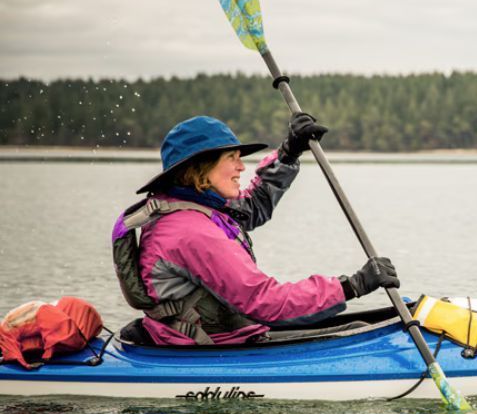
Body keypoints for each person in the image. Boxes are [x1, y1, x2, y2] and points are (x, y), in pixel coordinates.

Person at [111, 113, 399, 346]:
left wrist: (288, 154)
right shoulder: (190, 232)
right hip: (207, 345)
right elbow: (263, 301)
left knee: (364, 323)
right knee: (358, 331)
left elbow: (253, 207)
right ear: (200, 168)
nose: (241, 167)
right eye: (231, 159)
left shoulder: (189, 206)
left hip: (220, 332)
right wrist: (352, 286)